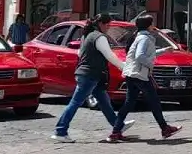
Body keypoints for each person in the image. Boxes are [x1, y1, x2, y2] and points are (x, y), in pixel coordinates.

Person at [52, 14, 133, 142]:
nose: (108, 27)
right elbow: (109, 55)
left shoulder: (87, 35)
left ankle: (118, 126)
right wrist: (124, 68)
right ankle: (60, 130)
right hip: (90, 75)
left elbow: (81, 53)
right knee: (75, 102)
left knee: (104, 101)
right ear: (101, 24)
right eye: (107, 25)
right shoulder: (99, 37)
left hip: (90, 74)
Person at [108, 15, 181, 142]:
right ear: (148, 25)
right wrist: (150, 65)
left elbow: (148, 54)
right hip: (139, 75)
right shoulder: (144, 38)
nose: (154, 25)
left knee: (129, 103)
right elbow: (140, 56)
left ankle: (115, 132)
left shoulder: (141, 37)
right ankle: (165, 128)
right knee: (154, 101)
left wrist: (164, 50)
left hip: (132, 74)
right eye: (152, 23)